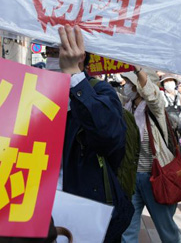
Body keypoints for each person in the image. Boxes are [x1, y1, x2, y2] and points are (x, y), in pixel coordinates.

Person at [57, 25, 133, 242]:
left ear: (79, 55)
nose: (53, 58)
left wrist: (73, 76)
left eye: (58, 52)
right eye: (51, 53)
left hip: (87, 212)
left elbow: (109, 135)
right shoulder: (38, 90)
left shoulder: (99, 91)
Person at [121, 69, 181, 243]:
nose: (127, 86)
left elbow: (152, 95)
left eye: (131, 83)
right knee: (127, 230)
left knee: (166, 231)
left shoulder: (155, 107)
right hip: (132, 179)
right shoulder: (127, 106)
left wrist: (138, 69)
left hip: (156, 177)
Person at [159, 74, 181, 163]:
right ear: (163, 84)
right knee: (171, 157)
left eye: (171, 80)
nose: (169, 83)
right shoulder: (161, 95)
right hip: (168, 130)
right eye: (166, 81)